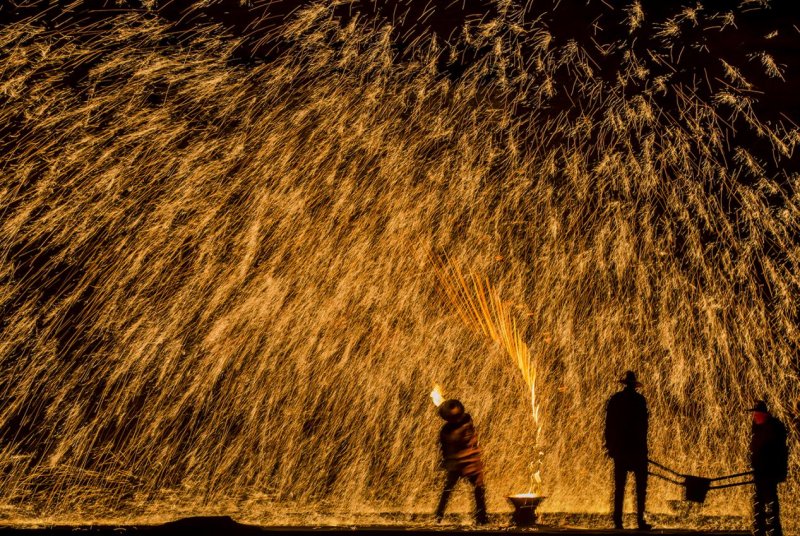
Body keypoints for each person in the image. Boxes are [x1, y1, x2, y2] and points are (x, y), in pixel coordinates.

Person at [604, 371, 651, 530]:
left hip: (621, 450)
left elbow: (608, 425)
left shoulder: (616, 400)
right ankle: (640, 521)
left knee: (619, 487)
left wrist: (610, 446)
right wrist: (644, 451)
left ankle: (618, 521)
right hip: (637, 450)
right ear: (634, 385)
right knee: (640, 489)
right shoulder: (640, 400)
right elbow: (644, 427)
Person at [434, 398, 489, 525]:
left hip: (468, 461)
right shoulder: (451, 431)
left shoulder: (455, 427)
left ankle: (481, 517)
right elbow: (446, 448)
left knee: (475, 488)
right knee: (452, 488)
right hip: (459, 462)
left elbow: (445, 448)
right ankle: (481, 518)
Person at [748, 399, 788, 536]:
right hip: (760, 472)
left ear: (764, 415)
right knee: (758, 502)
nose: (754, 416)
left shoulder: (773, 429)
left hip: (769, 472)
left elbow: (777, 453)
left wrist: (769, 468)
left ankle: (774, 531)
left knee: (770, 502)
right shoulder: (759, 427)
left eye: (756, 414)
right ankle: (759, 530)